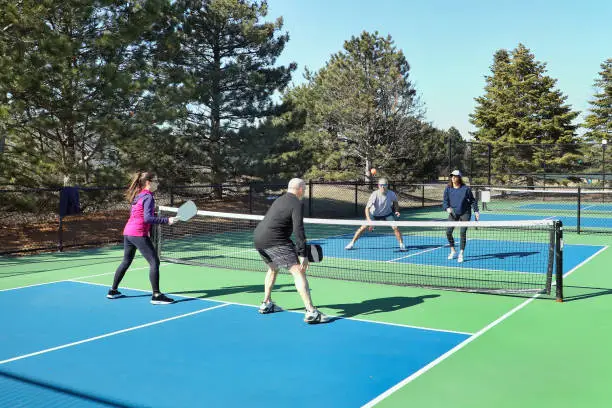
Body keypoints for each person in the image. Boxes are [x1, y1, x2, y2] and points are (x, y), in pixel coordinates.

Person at [253, 178, 330, 324]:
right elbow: (298, 229)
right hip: (276, 240)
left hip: (258, 238)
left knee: (273, 268)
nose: (305, 191)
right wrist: (302, 254)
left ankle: (266, 303)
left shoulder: (279, 200)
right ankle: (311, 312)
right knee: (298, 271)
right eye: (305, 189)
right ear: (300, 189)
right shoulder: (296, 203)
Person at [107, 171, 178, 304]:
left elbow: (139, 214)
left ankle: (113, 290)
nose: (158, 183)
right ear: (148, 182)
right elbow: (147, 218)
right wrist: (166, 220)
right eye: (156, 181)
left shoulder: (139, 196)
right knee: (154, 262)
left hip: (128, 232)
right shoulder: (148, 197)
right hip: (138, 233)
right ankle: (156, 295)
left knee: (126, 261)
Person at [344, 178, 405, 251]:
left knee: (395, 227)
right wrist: (369, 220)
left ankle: (402, 245)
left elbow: (395, 202)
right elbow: (367, 208)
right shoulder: (374, 194)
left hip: (387, 214)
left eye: (384, 185)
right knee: (362, 228)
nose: (383, 187)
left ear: (387, 185)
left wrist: (397, 210)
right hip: (374, 214)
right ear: (378, 186)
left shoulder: (391, 193)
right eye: (381, 185)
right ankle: (351, 243)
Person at [442, 170, 480, 263]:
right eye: (452, 176)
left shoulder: (465, 189)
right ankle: (453, 250)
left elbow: (472, 200)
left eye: (455, 176)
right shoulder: (448, 188)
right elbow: (445, 201)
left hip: (465, 213)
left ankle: (461, 253)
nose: (453, 178)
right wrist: (447, 208)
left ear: (459, 177)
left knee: (462, 232)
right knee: (448, 232)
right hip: (453, 213)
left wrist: (476, 211)